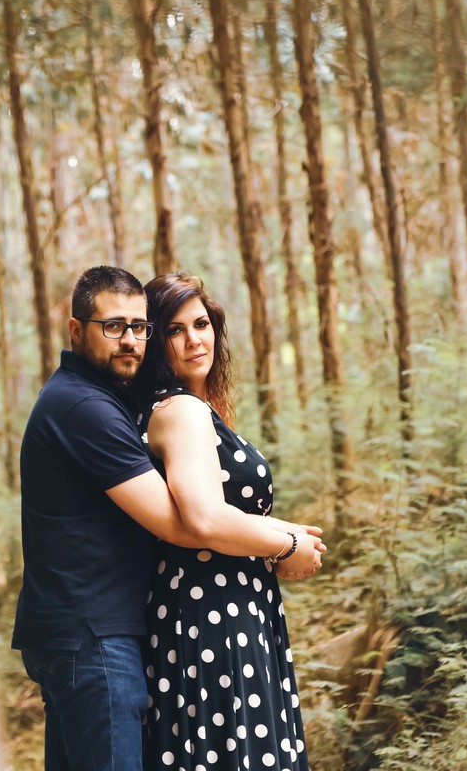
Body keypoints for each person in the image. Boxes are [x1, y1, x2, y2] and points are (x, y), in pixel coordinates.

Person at [13, 266, 324, 771]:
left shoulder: (108, 401)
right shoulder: (90, 407)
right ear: (77, 330)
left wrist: (280, 534)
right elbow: (192, 522)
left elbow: (197, 513)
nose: (128, 339)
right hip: (102, 634)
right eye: (113, 326)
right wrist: (285, 542)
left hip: (106, 629)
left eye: (138, 326)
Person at [134, 272, 313, 771]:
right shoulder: (180, 411)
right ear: (155, 343)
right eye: (175, 330)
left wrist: (288, 534)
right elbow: (205, 519)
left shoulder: (191, 409)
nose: (194, 339)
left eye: (202, 324)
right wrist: (284, 544)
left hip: (223, 612)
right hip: (212, 616)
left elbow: (217, 510)